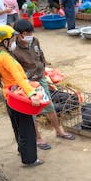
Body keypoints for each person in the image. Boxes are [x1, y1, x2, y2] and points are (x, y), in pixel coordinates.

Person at [11, 19, 75, 150]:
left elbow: (40, 53)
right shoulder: (14, 50)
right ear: (19, 34)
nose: (30, 35)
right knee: (31, 111)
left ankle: (59, 131)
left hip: (40, 77)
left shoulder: (34, 41)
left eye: (30, 32)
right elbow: (16, 70)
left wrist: (44, 65)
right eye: (26, 33)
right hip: (28, 83)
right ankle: (38, 137)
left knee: (49, 105)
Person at [0, 25, 44, 166]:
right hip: (18, 96)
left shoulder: (2, 55)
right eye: (13, 39)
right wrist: (32, 94)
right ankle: (30, 159)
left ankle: (22, 151)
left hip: (11, 96)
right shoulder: (6, 58)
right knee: (27, 128)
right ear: (5, 41)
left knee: (18, 126)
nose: (15, 41)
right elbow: (19, 79)